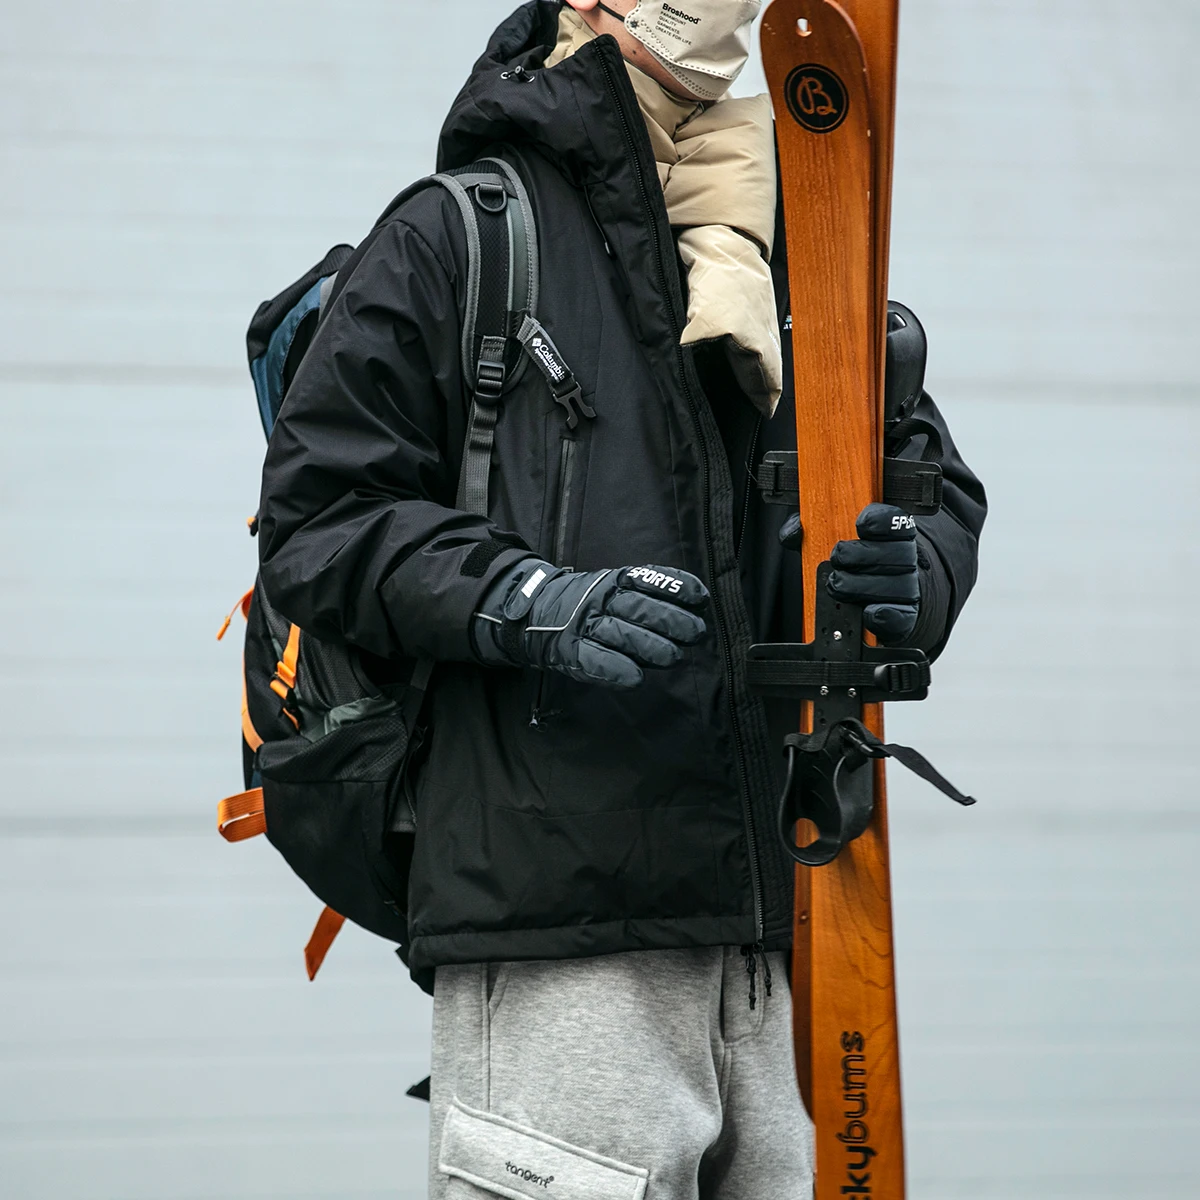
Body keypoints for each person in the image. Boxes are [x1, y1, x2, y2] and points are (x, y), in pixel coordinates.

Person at [256, 1, 987, 1195]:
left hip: (790, 926)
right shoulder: (463, 237)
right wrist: (527, 596)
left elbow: (927, 479)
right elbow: (322, 518)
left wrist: (923, 572)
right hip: (564, 931)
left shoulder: (800, 244)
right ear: (585, 6)